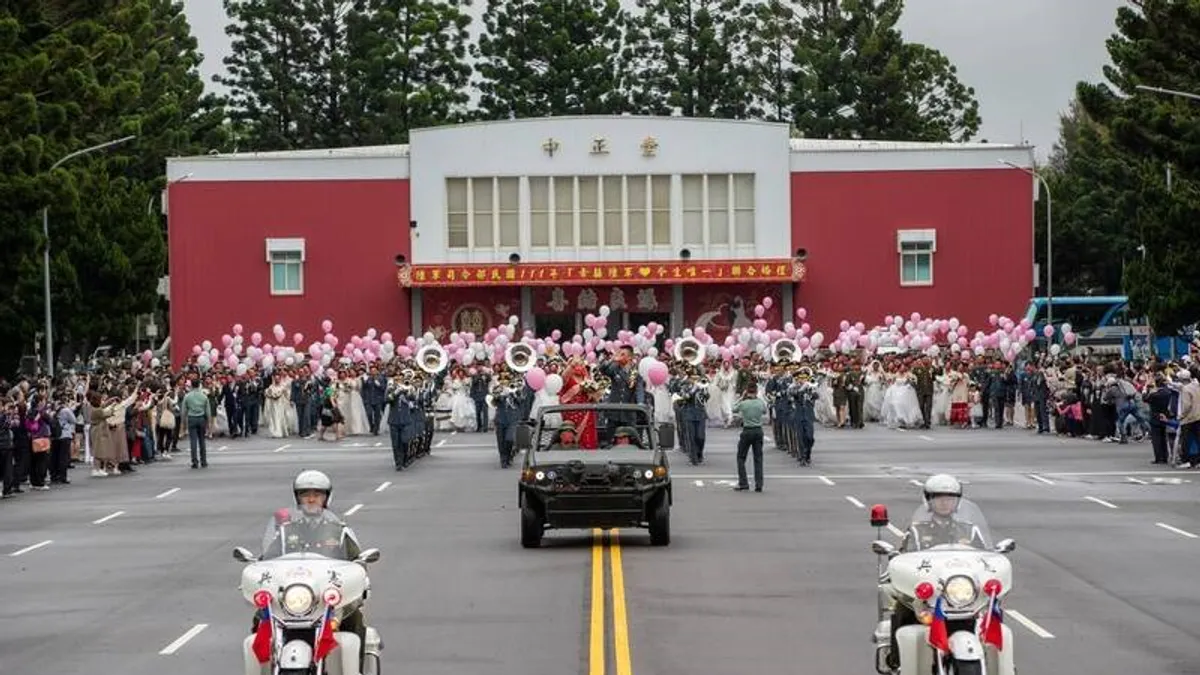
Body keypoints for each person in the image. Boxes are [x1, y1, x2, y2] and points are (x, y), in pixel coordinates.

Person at [254, 471, 367, 651]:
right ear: (297, 498)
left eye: (317, 494)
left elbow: (357, 561)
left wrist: (360, 569)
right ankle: (266, 661)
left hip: (327, 595)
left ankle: (356, 663)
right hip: (294, 594)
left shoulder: (339, 530)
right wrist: (259, 568)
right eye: (305, 494)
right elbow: (268, 558)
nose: (311, 499)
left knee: (354, 619)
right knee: (260, 618)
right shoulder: (286, 530)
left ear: (326, 498)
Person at [886, 474, 984, 670]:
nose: (945, 503)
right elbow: (905, 558)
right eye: (939, 498)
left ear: (958, 501)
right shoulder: (916, 531)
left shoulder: (970, 530)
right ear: (928, 501)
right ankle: (898, 661)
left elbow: (984, 557)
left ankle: (999, 662)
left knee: (991, 610)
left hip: (959, 591)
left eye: (950, 498)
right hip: (930, 592)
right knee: (902, 606)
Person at [732, 382, 767, 492]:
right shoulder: (760, 403)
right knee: (758, 458)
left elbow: (733, 408)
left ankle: (743, 483)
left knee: (741, 457)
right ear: (756, 391)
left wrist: (741, 398)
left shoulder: (744, 403)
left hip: (747, 430)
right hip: (758, 430)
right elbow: (765, 410)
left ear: (747, 392)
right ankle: (759, 484)